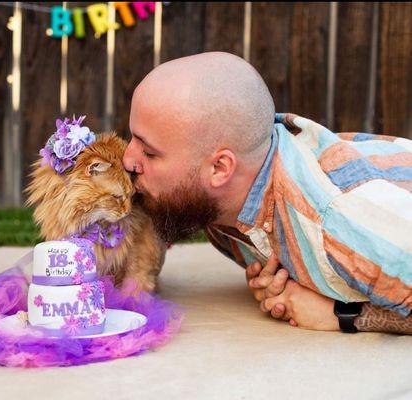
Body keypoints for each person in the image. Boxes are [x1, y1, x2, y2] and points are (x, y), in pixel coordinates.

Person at [122, 51, 412, 335]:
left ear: (220, 169)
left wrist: (340, 314)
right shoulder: (215, 199)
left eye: (149, 152)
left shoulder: (341, 220)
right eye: (132, 138)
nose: (128, 159)